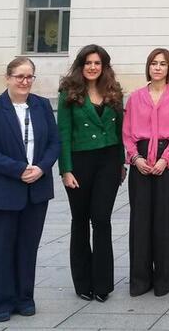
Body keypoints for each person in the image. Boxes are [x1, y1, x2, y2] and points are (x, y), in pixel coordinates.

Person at [0, 57, 60, 322]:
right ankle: (0, 302)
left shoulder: (42, 106)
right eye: (19, 76)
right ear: (8, 77)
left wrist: (42, 167)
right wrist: (18, 169)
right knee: (0, 249)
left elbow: (54, 142)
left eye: (29, 77)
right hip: (1, 192)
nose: (24, 82)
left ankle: (24, 298)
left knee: (27, 247)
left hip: (35, 190)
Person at [57, 44, 125, 303]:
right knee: (80, 221)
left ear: (104, 66)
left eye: (97, 63)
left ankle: (103, 283)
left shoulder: (113, 91)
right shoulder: (69, 92)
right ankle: (83, 283)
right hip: (79, 161)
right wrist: (65, 169)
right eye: (88, 63)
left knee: (102, 219)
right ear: (80, 65)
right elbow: (62, 132)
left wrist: (121, 164)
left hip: (108, 160)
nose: (93, 67)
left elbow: (120, 132)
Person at [122, 48, 169, 297]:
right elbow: (127, 133)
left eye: (162, 64)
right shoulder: (136, 97)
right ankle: (139, 280)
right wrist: (135, 158)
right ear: (148, 67)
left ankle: (162, 280)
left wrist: (165, 160)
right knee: (139, 222)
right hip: (140, 161)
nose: (158, 68)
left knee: (162, 222)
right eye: (154, 63)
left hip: (166, 164)